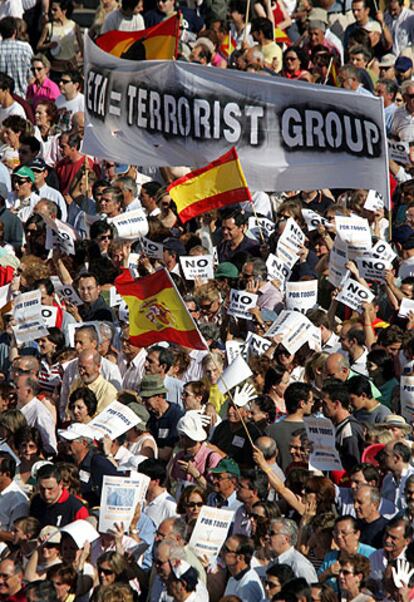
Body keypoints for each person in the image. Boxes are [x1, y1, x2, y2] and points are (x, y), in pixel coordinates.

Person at [29, 463, 89, 527]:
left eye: (50, 488)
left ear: (60, 484)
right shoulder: (36, 501)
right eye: (41, 489)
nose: (46, 494)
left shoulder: (77, 509)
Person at [222, 534, 265, 602]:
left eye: (226, 550)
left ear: (240, 558)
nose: (222, 551)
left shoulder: (248, 587)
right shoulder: (234, 578)